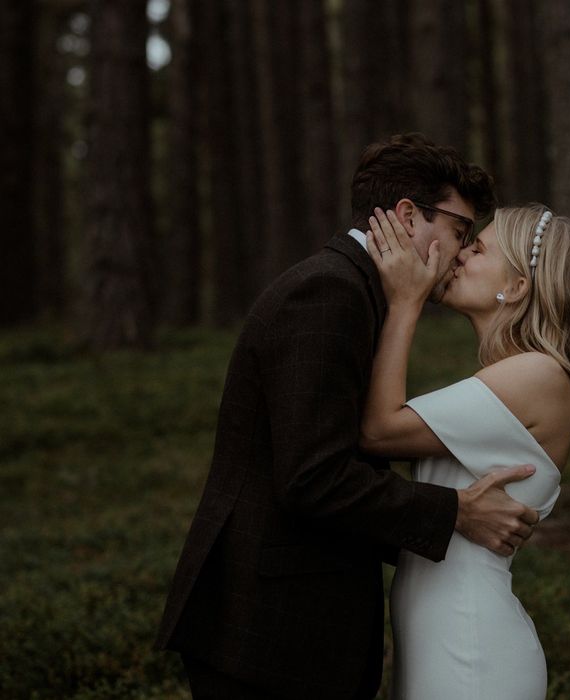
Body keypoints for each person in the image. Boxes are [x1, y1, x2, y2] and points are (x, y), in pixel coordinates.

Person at [155, 134, 542, 699]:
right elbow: (313, 476)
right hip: (266, 633)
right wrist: (456, 512)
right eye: (460, 231)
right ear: (409, 215)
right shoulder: (328, 292)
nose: (461, 252)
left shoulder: (356, 291)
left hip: (289, 626)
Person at [360, 204, 570, 699]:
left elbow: (380, 430)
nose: (459, 254)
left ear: (514, 288)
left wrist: (405, 302)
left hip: (471, 648)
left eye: (478, 247)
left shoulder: (539, 373)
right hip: (442, 638)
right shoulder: (509, 378)